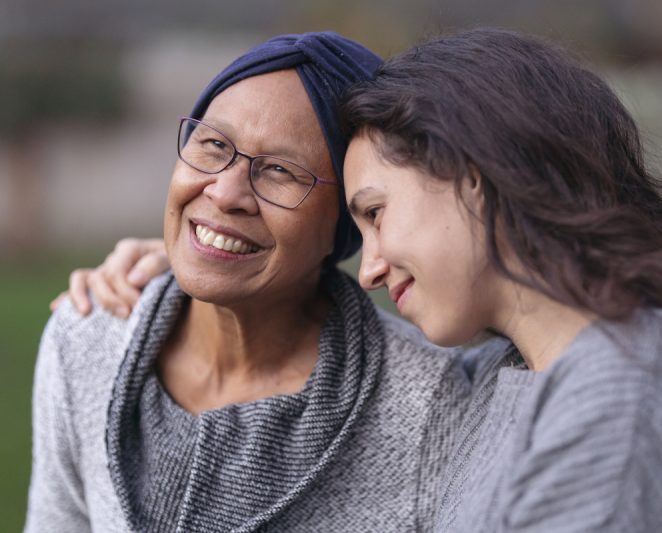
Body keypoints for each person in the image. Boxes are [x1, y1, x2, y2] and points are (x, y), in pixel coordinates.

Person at [57, 29, 662, 532]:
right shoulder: (536, 375)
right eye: (213, 149)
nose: (367, 266)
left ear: (476, 181)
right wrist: (201, 260)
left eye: (373, 212)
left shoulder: (618, 400)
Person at [26, 32, 472, 533]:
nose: (224, 192)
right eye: (214, 145)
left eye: (280, 170)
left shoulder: (429, 404)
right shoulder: (86, 340)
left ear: (345, 220)